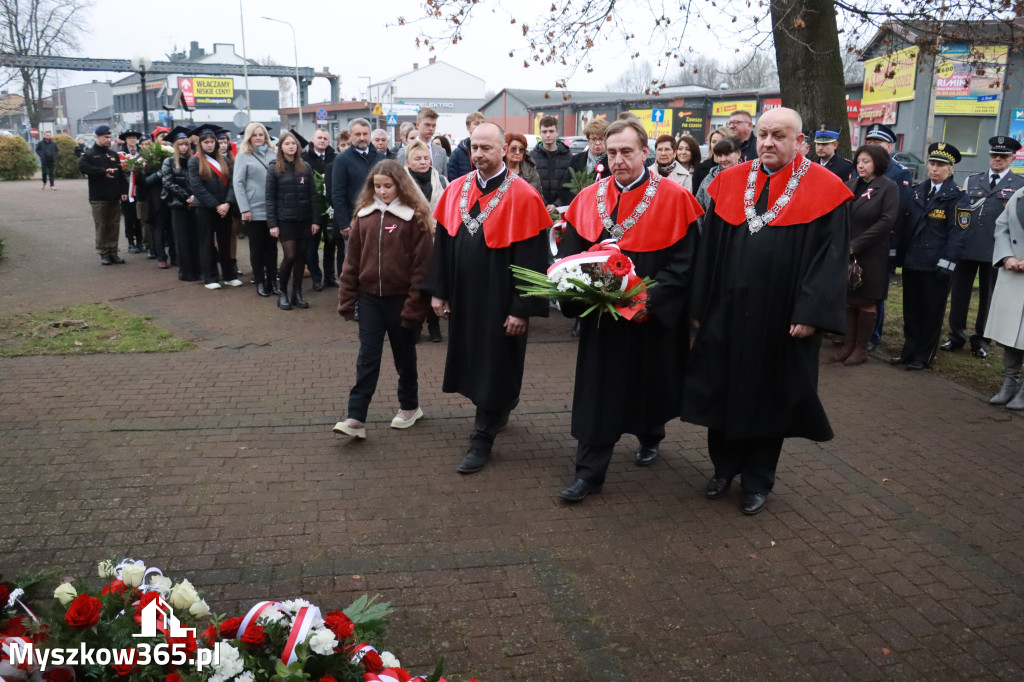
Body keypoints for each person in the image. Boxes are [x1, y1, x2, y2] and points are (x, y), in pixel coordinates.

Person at [683, 107, 852, 516]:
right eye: (762, 134)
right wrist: (700, 305)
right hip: (727, 311)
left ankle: (758, 479)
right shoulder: (728, 183)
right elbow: (708, 250)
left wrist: (810, 312)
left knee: (769, 396)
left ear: (799, 142)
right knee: (721, 390)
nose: (768, 143)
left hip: (781, 318)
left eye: (779, 135)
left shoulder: (826, 189)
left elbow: (830, 261)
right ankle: (723, 468)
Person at [555, 118, 702, 502]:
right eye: (612, 151)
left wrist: (647, 303)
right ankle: (589, 473)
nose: (618, 160)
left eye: (627, 152)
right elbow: (568, 258)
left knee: (649, 386)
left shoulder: (674, 198)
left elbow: (684, 265)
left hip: (649, 320)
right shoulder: (587, 199)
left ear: (644, 152)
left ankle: (651, 434)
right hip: (601, 323)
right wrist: (579, 294)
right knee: (597, 395)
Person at [425, 121, 552, 474]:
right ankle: (500, 406)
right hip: (466, 299)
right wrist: (439, 291)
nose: (478, 154)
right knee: (474, 362)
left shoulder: (524, 194)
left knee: (496, 364)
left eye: (486, 148)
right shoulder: (455, 190)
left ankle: (482, 438)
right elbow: (443, 244)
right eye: (474, 148)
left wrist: (521, 309)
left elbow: (533, 259)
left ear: (503, 150)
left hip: (501, 300)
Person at [334, 160, 435, 438]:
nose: (382, 192)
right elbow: (351, 261)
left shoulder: (414, 218)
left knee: (404, 357)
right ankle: (355, 417)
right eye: (377, 186)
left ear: (400, 185)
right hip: (369, 300)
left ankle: (410, 406)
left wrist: (416, 305)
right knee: (367, 357)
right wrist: (347, 297)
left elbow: (421, 267)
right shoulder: (363, 216)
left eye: (388, 186)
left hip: (401, 299)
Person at [891, 143, 972, 371]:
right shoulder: (918, 191)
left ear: (951, 169)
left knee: (931, 313)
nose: (935, 169)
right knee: (911, 310)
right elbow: (904, 225)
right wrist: (897, 254)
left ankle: (923, 356)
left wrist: (947, 263)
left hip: (936, 266)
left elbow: (959, 234)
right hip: (913, 262)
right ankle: (909, 351)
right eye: (932, 164)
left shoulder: (957, 197)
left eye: (941, 165)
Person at [942, 136, 1024, 358]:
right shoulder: (972, 180)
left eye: (1003, 156)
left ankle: (981, 340)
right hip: (968, 247)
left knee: (988, 297)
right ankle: (956, 335)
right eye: (994, 155)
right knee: (960, 294)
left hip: (996, 249)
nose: (997, 159)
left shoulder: (1019, 185)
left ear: (1012, 158)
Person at [832, 144, 898, 366]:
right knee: (849, 300)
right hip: (848, 250)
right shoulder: (851, 184)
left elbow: (887, 220)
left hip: (872, 253)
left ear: (878, 163)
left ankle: (861, 349)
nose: (861, 165)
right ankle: (848, 345)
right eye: (859, 161)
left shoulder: (888, 187)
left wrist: (857, 244)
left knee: (866, 301)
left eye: (866, 161)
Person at [862, 123, 914, 352]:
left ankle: (873, 334)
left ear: (889, 146)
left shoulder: (899, 171)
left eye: (878, 143)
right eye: (870, 142)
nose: (872, 146)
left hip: (884, 240)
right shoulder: (861, 167)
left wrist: (894, 247)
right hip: (860, 238)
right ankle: (856, 333)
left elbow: (899, 212)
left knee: (876, 290)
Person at [266, 130, 320, 310]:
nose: (291, 146)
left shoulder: (305, 167)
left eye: (293, 144)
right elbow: (270, 198)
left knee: (301, 257)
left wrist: (315, 220)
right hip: (285, 220)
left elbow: (313, 195)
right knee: (290, 255)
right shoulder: (274, 168)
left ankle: (297, 292)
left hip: (304, 220)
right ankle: (282, 292)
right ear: (281, 147)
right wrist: (272, 224)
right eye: (287, 144)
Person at [406, 139, 449, 343]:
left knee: (434, 280)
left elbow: (449, 207)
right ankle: (414, 324)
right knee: (414, 284)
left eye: (425, 158)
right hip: (410, 240)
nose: (423, 162)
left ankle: (434, 325)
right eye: (417, 158)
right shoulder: (401, 182)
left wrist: (437, 225)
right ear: (408, 161)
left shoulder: (441, 180)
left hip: (435, 238)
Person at [188, 124, 241, 290]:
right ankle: (210, 277)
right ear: (201, 144)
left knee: (225, 242)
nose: (210, 144)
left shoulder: (224, 160)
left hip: (225, 207)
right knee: (207, 243)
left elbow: (232, 184)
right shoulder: (194, 161)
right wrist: (216, 204)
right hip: (205, 208)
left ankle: (229, 275)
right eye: (206, 142)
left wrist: (227, 203)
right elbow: (197, 187)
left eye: (212, 141)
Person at [985, 185, 1024, 410]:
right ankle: (1010, 382)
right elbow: (1002, 227)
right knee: (1011, 333)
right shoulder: (1019, 195)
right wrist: (1006, 255)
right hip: (1013, 273)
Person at [331, 119, 383, 277]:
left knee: (376, 261)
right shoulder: (342, 160)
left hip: (378, 218)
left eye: (365, 134)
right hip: (354, 221)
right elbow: (337, 193)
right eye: (358, 134)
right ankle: (350, 298)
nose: (362, 138)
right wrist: (344, 223)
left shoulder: (380, 158)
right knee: (353, 263)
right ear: (350, 135)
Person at [233, 122, 279, 297]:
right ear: (249, 137)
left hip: (272, 209)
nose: (259, 138)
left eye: (261, 134)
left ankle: (273, 281)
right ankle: (260, 281)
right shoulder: (243, 156)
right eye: (255, 135)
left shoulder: (273, 153)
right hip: (253, 209)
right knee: (257, 248)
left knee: (272, 248)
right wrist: (244, 208)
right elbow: (238, 183)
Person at [79, 125, 128, 265]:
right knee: (101, 226)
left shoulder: (113, 155)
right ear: (98, 137)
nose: (108, 140)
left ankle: (113, 251)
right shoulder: (89, 154)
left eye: (109, 137)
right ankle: (104, 253)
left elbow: (120, 174)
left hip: (114, 196)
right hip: (98, 197)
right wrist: (102, 171)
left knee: (114, 225)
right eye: (105, 137)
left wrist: (123, 191)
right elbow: (83, 168)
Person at [300, 128, 339, 291]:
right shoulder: (304, 159)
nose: (322, 140)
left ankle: (330, 276)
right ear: (312, 140)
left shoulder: (335, 158)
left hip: (330, 208)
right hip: (312, 209)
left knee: (331, 244)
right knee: (312, 245)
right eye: (319, 138)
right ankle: (316, 277)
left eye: (325, 138)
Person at [161, 126, 199, 281]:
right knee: (182, 239)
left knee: (195, 238)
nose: (183, 147)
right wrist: (187, 197)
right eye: (180, 145)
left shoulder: (194, 160)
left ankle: (198, 269)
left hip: (195, 204)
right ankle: (186, 272)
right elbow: (168, 183)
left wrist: (195, 197)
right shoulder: (169, 162)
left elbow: (199, 181)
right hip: (178, 205)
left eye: (186, 144)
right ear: (175, 146)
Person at [532, 115, 573, 212]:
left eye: (551, 131)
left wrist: (557, 204)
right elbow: (530, 185)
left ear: (557, 132)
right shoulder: (531, 157)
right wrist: (544, 203)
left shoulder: (568, 156)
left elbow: (571, 184)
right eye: (544, 132)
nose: (548, 135)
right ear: (540, 133)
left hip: (561, 210)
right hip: (538, 208)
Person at [694, 136, 741, 212]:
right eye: (719, 155)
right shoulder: (709, 179)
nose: (723, 159)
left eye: (727, 154)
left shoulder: (749, 177)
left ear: (738, 154)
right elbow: (698, 208)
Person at [396, 107, 448, 177]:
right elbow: (400, 178)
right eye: (427, 125)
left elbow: (444, 180)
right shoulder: (404, 151)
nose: (431, 129)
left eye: (434, 125)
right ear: (418, 125)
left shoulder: (441, 152)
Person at [118, 129, 145, 253]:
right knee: (129, 217)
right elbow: (119, 174)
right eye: (130, 138)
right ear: (125, 140)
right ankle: (130, 242)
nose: (132, 140)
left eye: (134, 137)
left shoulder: (142, 152)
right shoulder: (120, 154)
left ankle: (140, 241)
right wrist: (122, 190)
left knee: (139, 216)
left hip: (140, 189)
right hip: (127, 190)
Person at [568, 118, 609, 188]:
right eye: (593, 139)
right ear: (588, 140)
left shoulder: (612, 161)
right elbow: (566, 186)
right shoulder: (576, 160)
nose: (597, 143)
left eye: (601, 139)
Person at [447, 111, 486, 181]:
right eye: (476, 124)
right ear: (468, 127)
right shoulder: (457, 153)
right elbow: (452, 179)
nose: (480, 126)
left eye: (483, 123)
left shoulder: (489, 150)